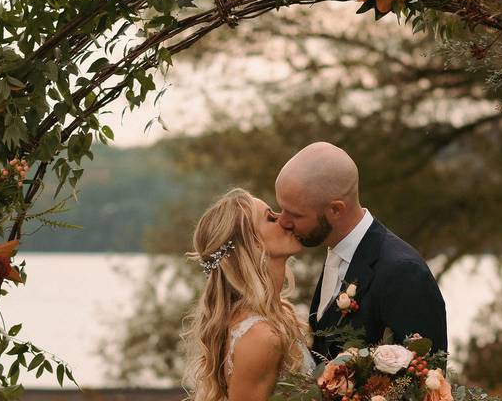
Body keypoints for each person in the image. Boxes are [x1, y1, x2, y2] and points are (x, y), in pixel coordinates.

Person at [275, 141, 448, 361]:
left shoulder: (403, 273)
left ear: (336, 209)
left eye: (295, 214)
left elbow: (426, 381)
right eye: (281, 209)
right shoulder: (336, 252)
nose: (283, 221)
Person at [185, 188, 315, 401]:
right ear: (254, 244)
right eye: (270, 218)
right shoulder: (261, 337)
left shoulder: (277, 316)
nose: (283, 218)